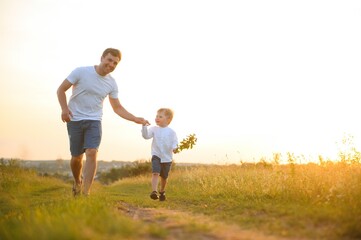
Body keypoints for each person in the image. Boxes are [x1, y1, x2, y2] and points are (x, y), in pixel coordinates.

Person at [57, 48, 149, 197]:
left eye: (115, 63)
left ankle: (86, 193)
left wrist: (135, 118)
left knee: (92, 152)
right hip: (75, 119)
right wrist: (64, 109)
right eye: (109, 60)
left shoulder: (112, 84)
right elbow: (61, 90)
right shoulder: (81, 72)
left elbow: (117, 107)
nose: (111, 65)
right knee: (76, 158)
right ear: (102, 58)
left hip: (94, 121)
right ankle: (77, 181)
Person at [141, 108, 178, 201]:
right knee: (155, 173)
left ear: (168, 119)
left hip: (167, 158)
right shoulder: (154, 129)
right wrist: (144, 126)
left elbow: (175, 143)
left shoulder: (172, 132)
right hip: (156, 155)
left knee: (164, 177)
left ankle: (162, 191)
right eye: (156, 116)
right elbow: (146, 136)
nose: (157, 118)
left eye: (160, 116)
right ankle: (154, 191)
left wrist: (175, 148)